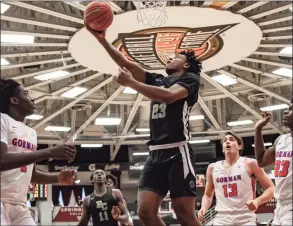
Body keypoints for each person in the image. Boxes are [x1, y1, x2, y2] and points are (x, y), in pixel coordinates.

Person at [86, 27, 202, 226]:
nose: (170, 59)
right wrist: (102, 40)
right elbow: (125, 64)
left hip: (177, 151)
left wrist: (131, 83)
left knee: (184, 214)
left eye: (176, 57)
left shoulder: (190, 79)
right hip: (155, 154)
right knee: (145, 212)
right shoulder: (158, 79)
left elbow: (168, 96)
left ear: (187, 64)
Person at [0, 77, 78, 225]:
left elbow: (31, 173)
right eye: (26, 94)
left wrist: (56, 178)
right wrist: (49, 152)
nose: (32, 99)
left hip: (19, 205)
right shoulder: (2, 120)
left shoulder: (31, 133)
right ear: (14, 100)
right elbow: (1, 161)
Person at [198, 132, 275, 225]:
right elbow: (207, 195)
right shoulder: (212, 168)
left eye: (231, 139)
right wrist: (204, 208)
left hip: (245, 218)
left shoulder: (250, 163)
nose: (227, 142)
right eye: (225, 141)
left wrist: (257, 201)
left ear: (239, 146)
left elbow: (271, 188)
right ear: (222, 148)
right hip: (222, 218)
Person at [254, 100, 292, 226]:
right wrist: (258, 129)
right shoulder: (281, 140)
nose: (286, 111)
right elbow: (261, 161)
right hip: (280, 205)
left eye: (291, 109)